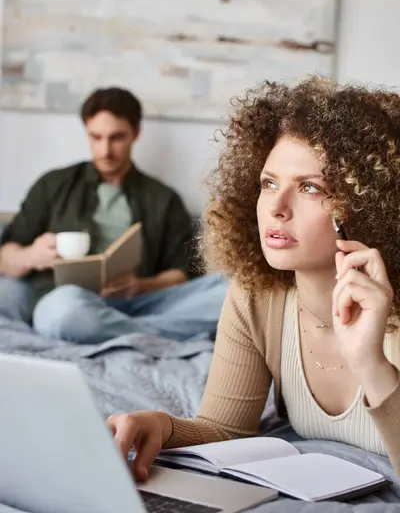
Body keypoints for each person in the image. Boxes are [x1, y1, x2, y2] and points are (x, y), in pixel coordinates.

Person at [107, 77, 400, 480]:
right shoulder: (255, 296)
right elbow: (226, 429)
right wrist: (162, 425)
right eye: (268, 183)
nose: (277, 207)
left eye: (311, 188)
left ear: (366, 205)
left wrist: (371, 363)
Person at [0, 87, 228, 343]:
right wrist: (31, 255)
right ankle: (150, 333)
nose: (105, 150)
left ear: (136, 133)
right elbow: (5, 257)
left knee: (230, 292)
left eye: (116, 137)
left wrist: (142, 286)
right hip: (70, 300)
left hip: (141, 302)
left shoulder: (163, 198)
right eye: (95, 137)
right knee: (64, 313)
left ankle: (115, 329)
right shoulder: (53, 185)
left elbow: (183, 273)